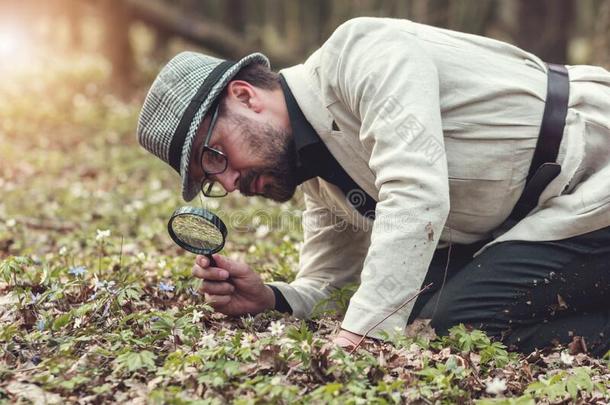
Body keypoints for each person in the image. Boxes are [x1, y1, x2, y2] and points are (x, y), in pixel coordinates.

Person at [137, 17, 610, 356]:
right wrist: (273, 298)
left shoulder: (361, 54)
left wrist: (365, 334)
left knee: (460, 317)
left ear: (244, 96)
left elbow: (415, 193)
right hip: (543, 216)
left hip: (593, 179)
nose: (229, 181)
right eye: (210, 180)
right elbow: (331, 283)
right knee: (419, 300)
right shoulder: (319, 179)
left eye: (215, 156)